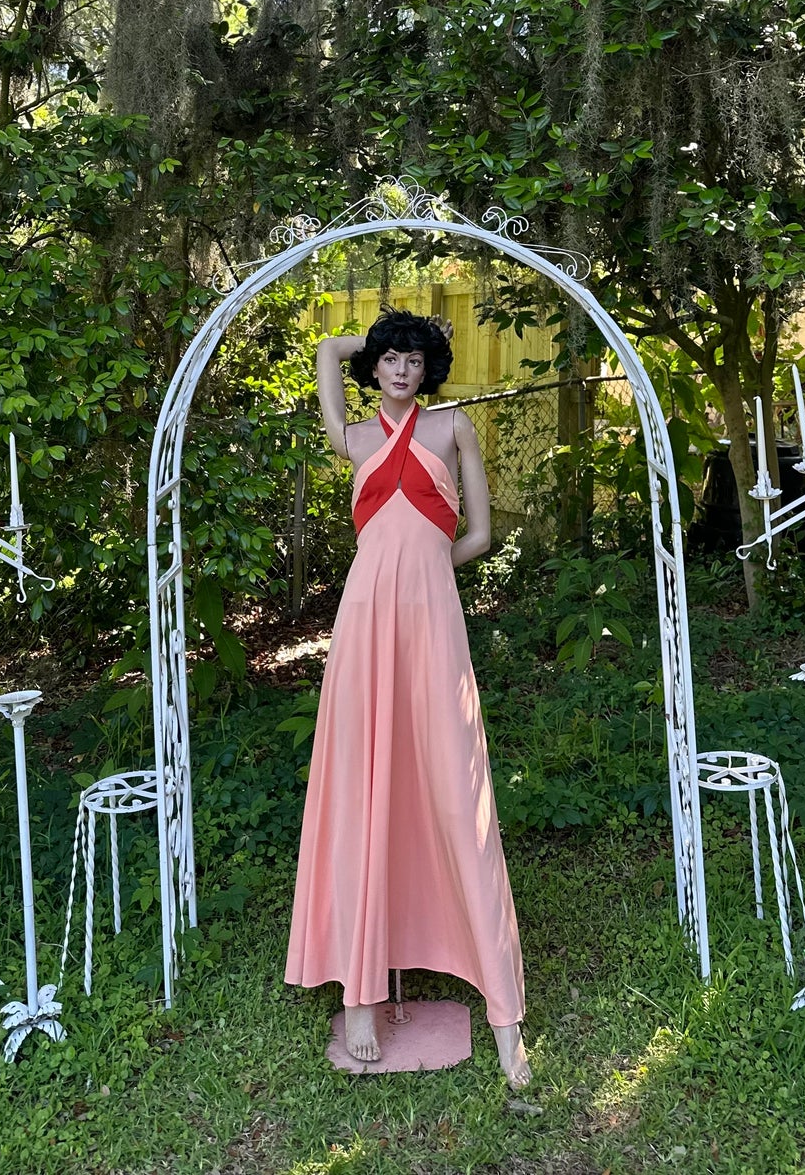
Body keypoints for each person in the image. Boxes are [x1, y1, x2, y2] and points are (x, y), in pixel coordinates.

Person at [285, 309, 530, 1087]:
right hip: (362, 625)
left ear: (430, 369)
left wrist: (424, 574)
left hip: (432, 624)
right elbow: (326, 348)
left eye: (414, 359)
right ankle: (359, 992)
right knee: (362, 787)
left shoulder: (453, 426)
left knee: (456, 791)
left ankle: (502, 1012)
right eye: (389, 359)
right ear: (374, 367)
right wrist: (379, 338)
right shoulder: (353, 438)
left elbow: (480, 535)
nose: (399, 369)